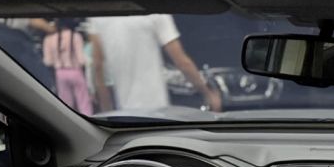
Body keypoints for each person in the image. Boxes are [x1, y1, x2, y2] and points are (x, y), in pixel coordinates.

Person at [88, 14, 221, 113]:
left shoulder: (98, 15)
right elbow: (181, 61)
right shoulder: (155, 10)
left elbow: (98, 66)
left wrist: (107, 112)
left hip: (124, 114)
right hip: (156, 111)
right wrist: (208, 93)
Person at [42, 19, 93, 115]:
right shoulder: (76, 36)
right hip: (76, 71)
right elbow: (81, 59)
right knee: (83, 101)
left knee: (66, 103)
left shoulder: (49, 38)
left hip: (60, 72)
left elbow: (48, 61)